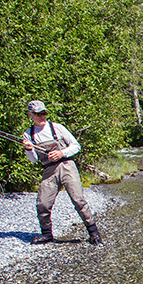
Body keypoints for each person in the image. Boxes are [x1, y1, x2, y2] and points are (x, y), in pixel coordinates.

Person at [22, 100, 102, 245]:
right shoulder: (28, 135)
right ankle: (46, 234)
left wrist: (62, 153)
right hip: (48, 170)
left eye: (44, 113)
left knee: (78, 200)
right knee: (42, 204)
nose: (42, 117)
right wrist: (28, 149)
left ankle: (94, 233)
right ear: (30, 115)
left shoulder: (57, 127)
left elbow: (76, 146)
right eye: (38, 114)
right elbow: (33, 160)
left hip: (67, 165)